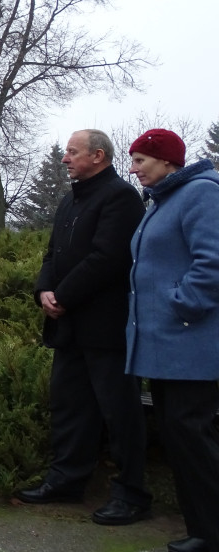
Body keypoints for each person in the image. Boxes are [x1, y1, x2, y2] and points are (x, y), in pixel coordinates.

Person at [17, 129, 151, 525]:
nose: (65, 159)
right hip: (69, 327)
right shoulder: (70, 200)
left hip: (105, 328)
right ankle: (66, 480)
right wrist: (44, 289)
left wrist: (63, 295)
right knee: (69, 406)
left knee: (120, 411)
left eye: (72, 153)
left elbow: (108, 257)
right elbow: (52, 252)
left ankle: (132, 494)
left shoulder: (120, 197)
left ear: (98, 155)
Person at [126, 129, 219, 552]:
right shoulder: (161, 202)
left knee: (191, 434)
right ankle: (200, 526)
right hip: (164, 345)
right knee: (179, 434)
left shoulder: (200, 193)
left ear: (167, 162)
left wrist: (181, 305)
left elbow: (212, 261)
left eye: (141, 160)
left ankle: (210, 531)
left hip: (190, 344)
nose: (134, 168)